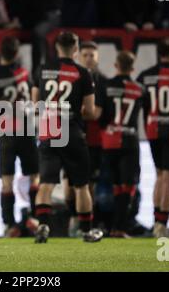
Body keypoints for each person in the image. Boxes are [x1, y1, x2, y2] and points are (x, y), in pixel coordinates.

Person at [32, 31, 103, 244]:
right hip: (72, 131)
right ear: (75, 49)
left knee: (46, 183)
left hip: (48, 129)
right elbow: (90, 112)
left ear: (56, 48)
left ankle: (43, 225)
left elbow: (36, 106)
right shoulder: (83, 73)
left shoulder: (42, 70)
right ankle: (86, 231)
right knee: (81, 185)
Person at [0, 36, 39, 237]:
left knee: (7, 179)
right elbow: (33, 97)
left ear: (1, 53)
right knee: (34, 176)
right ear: (17, 53)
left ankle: (9, 224)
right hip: (27, 129)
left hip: (6, 131)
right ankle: (35, 217)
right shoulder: (24, 73)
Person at [92, 51, 143, 238]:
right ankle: (119, 227)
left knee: (112, 185)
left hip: (109, 141)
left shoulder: (105, 86)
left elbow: (96, 114)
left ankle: (104, 226)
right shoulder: (139, 89)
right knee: (127, 186)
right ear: (132, 68)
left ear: (116, 65)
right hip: (129, 141)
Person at [136, 37, 169, 238]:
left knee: (159, 176)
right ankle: (162, 225)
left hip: (152, 130)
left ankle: (156, 222)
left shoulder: (145, 76)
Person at [66, 41, 107, 236]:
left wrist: (73, 111)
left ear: (97, 57)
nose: (89, 58)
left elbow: (96, 113)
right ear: (78, 56)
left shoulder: (101, 81)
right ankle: (74, 219)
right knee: (68, 185)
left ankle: (85, 224)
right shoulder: (73, 77)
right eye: (86, 55)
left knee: (88, 184)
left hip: (93, 141)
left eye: (92, 55)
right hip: (70, 137)